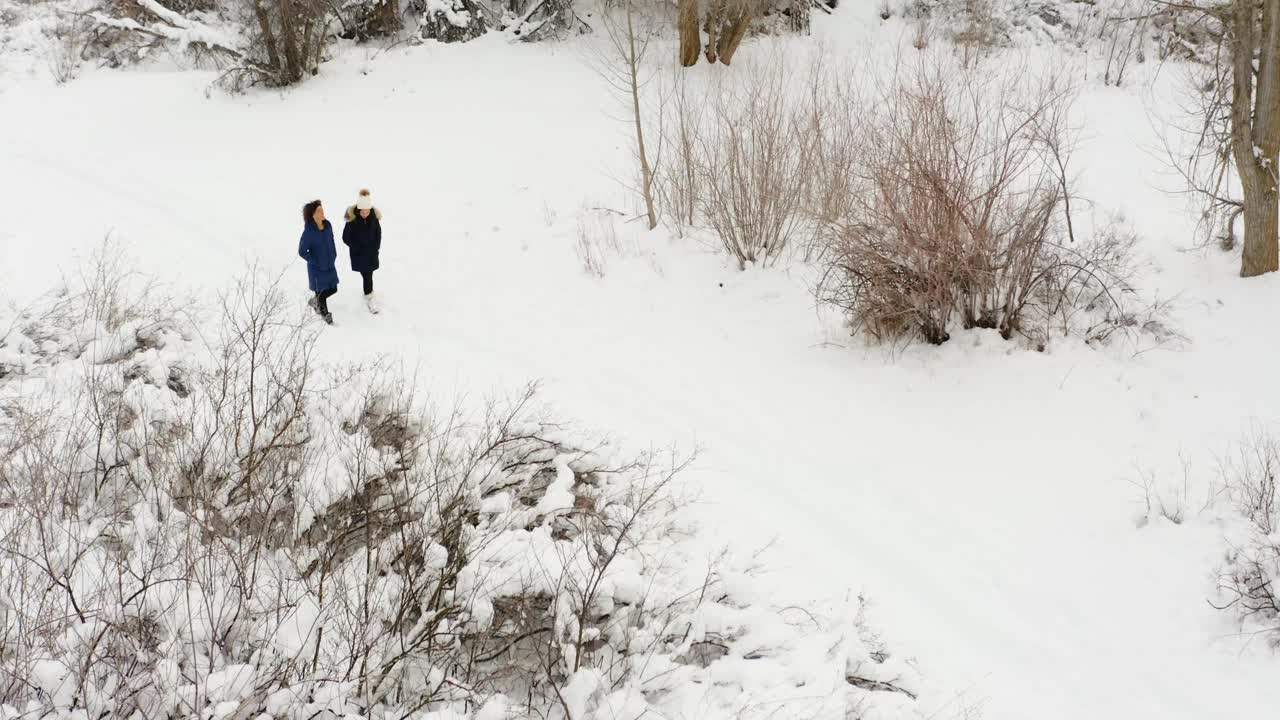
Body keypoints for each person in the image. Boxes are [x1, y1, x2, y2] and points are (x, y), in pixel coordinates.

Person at [298, 199, 339, 324]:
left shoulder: (327, 225)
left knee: (333, 288)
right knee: (321, 292)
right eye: (319, 211)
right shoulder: (309, 232)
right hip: (316, 268)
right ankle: (325, 314)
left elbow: (331, 240)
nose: (322, 213)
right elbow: (302, 251)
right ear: (313, 214)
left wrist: (334, 253)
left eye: (322, 210)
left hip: (329, 264)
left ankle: (315, 301)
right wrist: (313, 259)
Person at [342, 188, 382, 314]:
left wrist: (376, 247)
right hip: (359, 254)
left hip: (371, 253)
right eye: (362, 212)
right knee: (367, 274)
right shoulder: (352, 220)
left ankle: (369, 296)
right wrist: (356, 247)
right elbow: (345, 237)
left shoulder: (374, 218)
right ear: (359, 210)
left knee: (368, 274)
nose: (365, 214)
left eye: (367, 212)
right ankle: (369, 295)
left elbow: (378, 233)